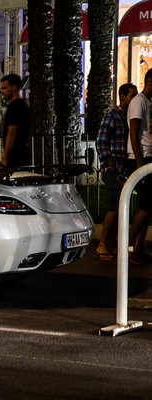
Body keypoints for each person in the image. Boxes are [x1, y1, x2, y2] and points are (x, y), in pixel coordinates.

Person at [94, 83, 138, 261]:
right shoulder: (112, 116)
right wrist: (109, 161)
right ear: (122, 97)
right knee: (114, 206)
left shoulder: (129, 117)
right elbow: (101, 141)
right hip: (114, 168)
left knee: (121, 206)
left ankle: (110, 244)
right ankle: (102, 244)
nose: (134, 99)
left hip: (124, 168)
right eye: (132, 95)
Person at [126, 69, 152, 265]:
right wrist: (139, 162)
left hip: (147, 158)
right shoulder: (139, 101)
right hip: (141, 159)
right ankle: (127, 246)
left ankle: (137, 248)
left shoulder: (148, 103)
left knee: (148, 208)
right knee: (145, 206)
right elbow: (134, 132)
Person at [0, 73, 31, 167]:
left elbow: (11, 132)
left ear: (14, 87)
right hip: (22, 153)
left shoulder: (14, 107)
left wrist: (5, 157)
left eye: (4, 88)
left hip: (15, 156)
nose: (2, 91)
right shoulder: (23, 105)